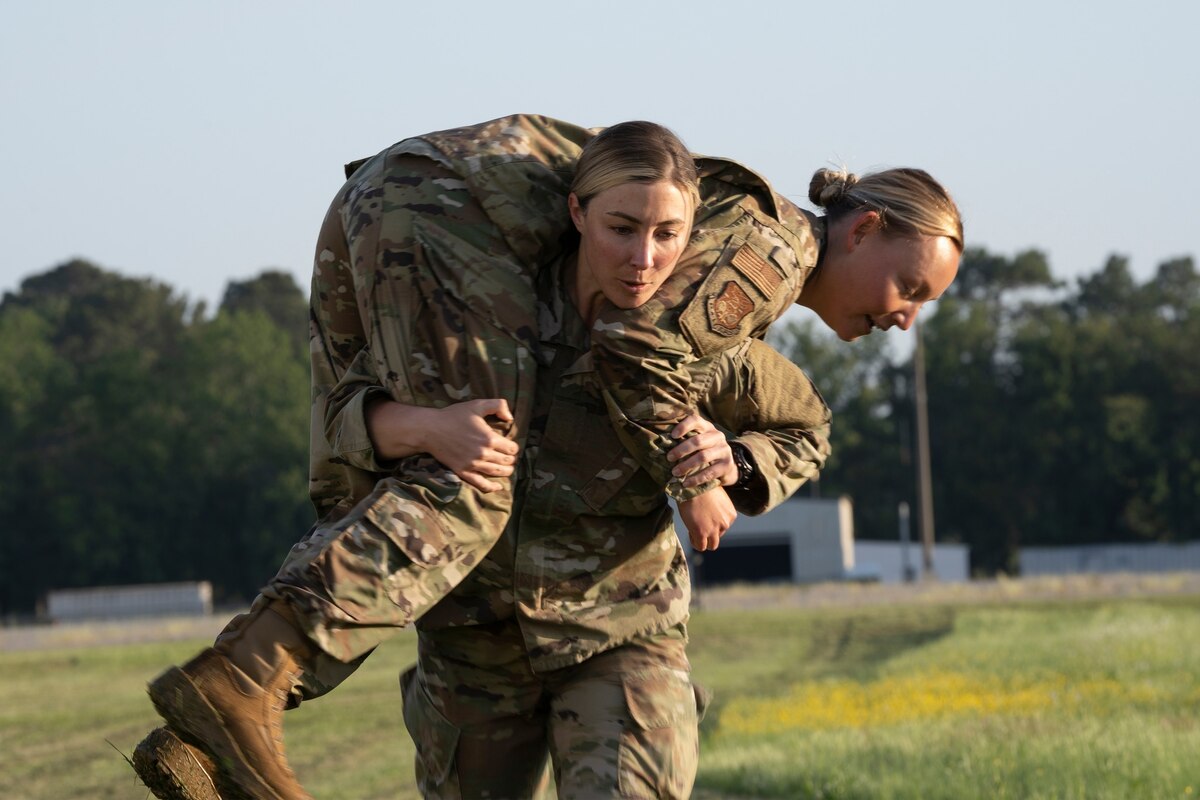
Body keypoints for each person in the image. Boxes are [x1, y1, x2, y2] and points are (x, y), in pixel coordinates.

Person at [133, 114, 962, 799]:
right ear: (864, 230)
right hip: (428, 206)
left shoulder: (722, 311)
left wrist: (737, 460)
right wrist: (695, 479)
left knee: (436, 457)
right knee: (478, 469)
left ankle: (231, 708)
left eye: (665, 236)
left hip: (385, 198)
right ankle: (245, 681)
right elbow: (638, 345)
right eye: (911, 289)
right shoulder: (774, 252)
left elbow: (781, 413)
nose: (906, 318)